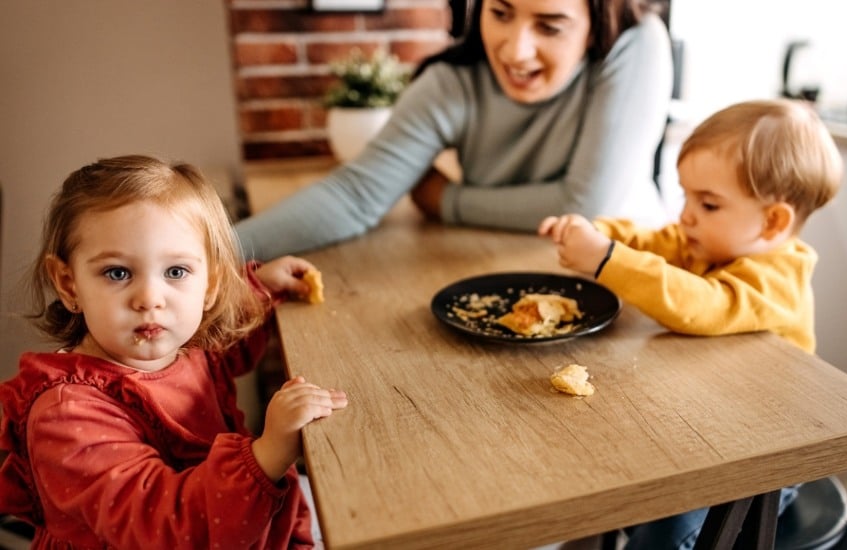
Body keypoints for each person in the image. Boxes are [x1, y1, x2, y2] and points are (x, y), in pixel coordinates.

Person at [539, 98, 843, 548]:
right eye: (685, 195)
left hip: (762, 463)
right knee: (596, 475)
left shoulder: (780, 278)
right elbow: (652, 240)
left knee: (662, 535)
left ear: (773, 220)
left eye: (708, 203)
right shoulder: (706, 242)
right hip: (706, 432)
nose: (686, 215)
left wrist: (607, 260)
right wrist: (598, 234)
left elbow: (704, 305)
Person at [0, 155, 348, 548]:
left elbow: (222, 347)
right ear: (69, 284)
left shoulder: (182, 344)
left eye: (176, 272)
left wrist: (260, 288)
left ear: (211, 283)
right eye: (118, 273)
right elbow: (164, 528)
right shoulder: (65, 416)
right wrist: (266, 455)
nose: (150, 299)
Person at [235, 0, 674, 260]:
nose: (515, 50)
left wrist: (449, 201)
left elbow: (584, 206)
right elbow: (353, 196)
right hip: (495, 269)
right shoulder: (451, 82)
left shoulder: (637, 44)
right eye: (500, 12)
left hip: (632, 281)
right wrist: (216, 253)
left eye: (549, 26)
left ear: (596, 24)